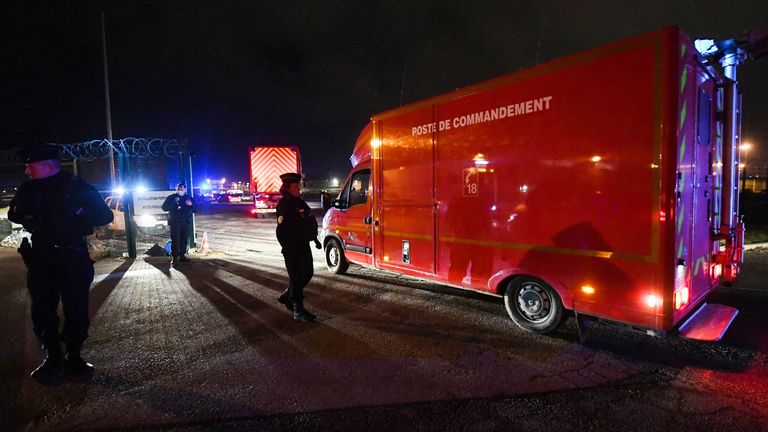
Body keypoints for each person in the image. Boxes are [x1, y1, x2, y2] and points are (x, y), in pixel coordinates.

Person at [8, 144, 113, 382]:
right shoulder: (28, 189)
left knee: (76, 307)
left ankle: (74, 356)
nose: (26, 172)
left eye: (29, 166)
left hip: (72, 254)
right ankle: (52, 356)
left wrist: (77, 213)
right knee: (42, 309)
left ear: (47, 166)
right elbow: (15, 214)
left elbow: (104, 216)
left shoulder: (77, 188)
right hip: (42, 256)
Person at [275, 172, 322, 322]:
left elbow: (310, 219)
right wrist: (289, 246)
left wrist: (313, 236)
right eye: (296, 186)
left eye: (299, 186)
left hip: (304, 245)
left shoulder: (300, 203)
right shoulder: (284, 205)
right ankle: (298, 310)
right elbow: (282, 231)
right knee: (296, 277)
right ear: (287, 188)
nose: (298, 189)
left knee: (308, 273)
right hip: (292, 247)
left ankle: (288, 295)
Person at [162, 183, 196, 265]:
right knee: (175, 240)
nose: (181, 190)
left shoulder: (188, 198)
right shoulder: (171, 197)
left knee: (184, 240)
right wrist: (174, 202)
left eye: (183, 189)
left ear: (185, 190)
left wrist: (191, 205)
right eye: (179, 188)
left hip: (185, 223)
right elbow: (164, 208)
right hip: (175, 223)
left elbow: (197, 209)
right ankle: (175, 257)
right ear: (176, 189)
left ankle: (182, 256)